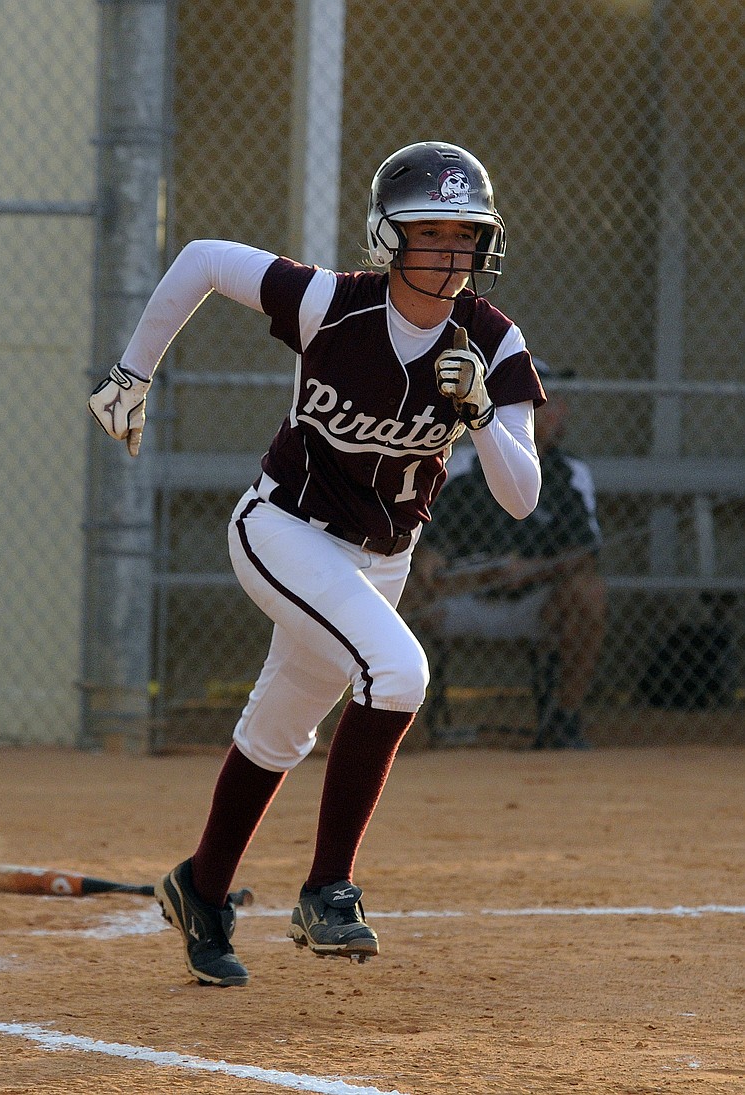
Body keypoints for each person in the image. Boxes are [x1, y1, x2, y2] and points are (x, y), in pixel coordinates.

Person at [88, 141, 545, 987]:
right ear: (387, 235)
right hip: (284, 527)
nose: (450, 254)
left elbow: (522, 495)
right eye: (429, 231)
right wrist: (131, 374)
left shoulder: (494, 340)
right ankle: (326, 888)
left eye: (465, 235)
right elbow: (203, 260)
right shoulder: (332, 305)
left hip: (385, 557)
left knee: (282, 726)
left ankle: (201, 886)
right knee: (398, 670)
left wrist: (480, 408)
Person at [412, 360, 607, 749]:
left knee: (589, 593)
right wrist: (436, 569)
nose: (558, 412)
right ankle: (387, 719)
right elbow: (428, 546)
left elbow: (583, 555)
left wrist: (529, 571)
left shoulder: (569, 473)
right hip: (461, 599)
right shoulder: (464, 465)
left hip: (535, 604)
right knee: (392, 586)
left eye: (559, 403)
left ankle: (564, 718)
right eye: (545, 403)